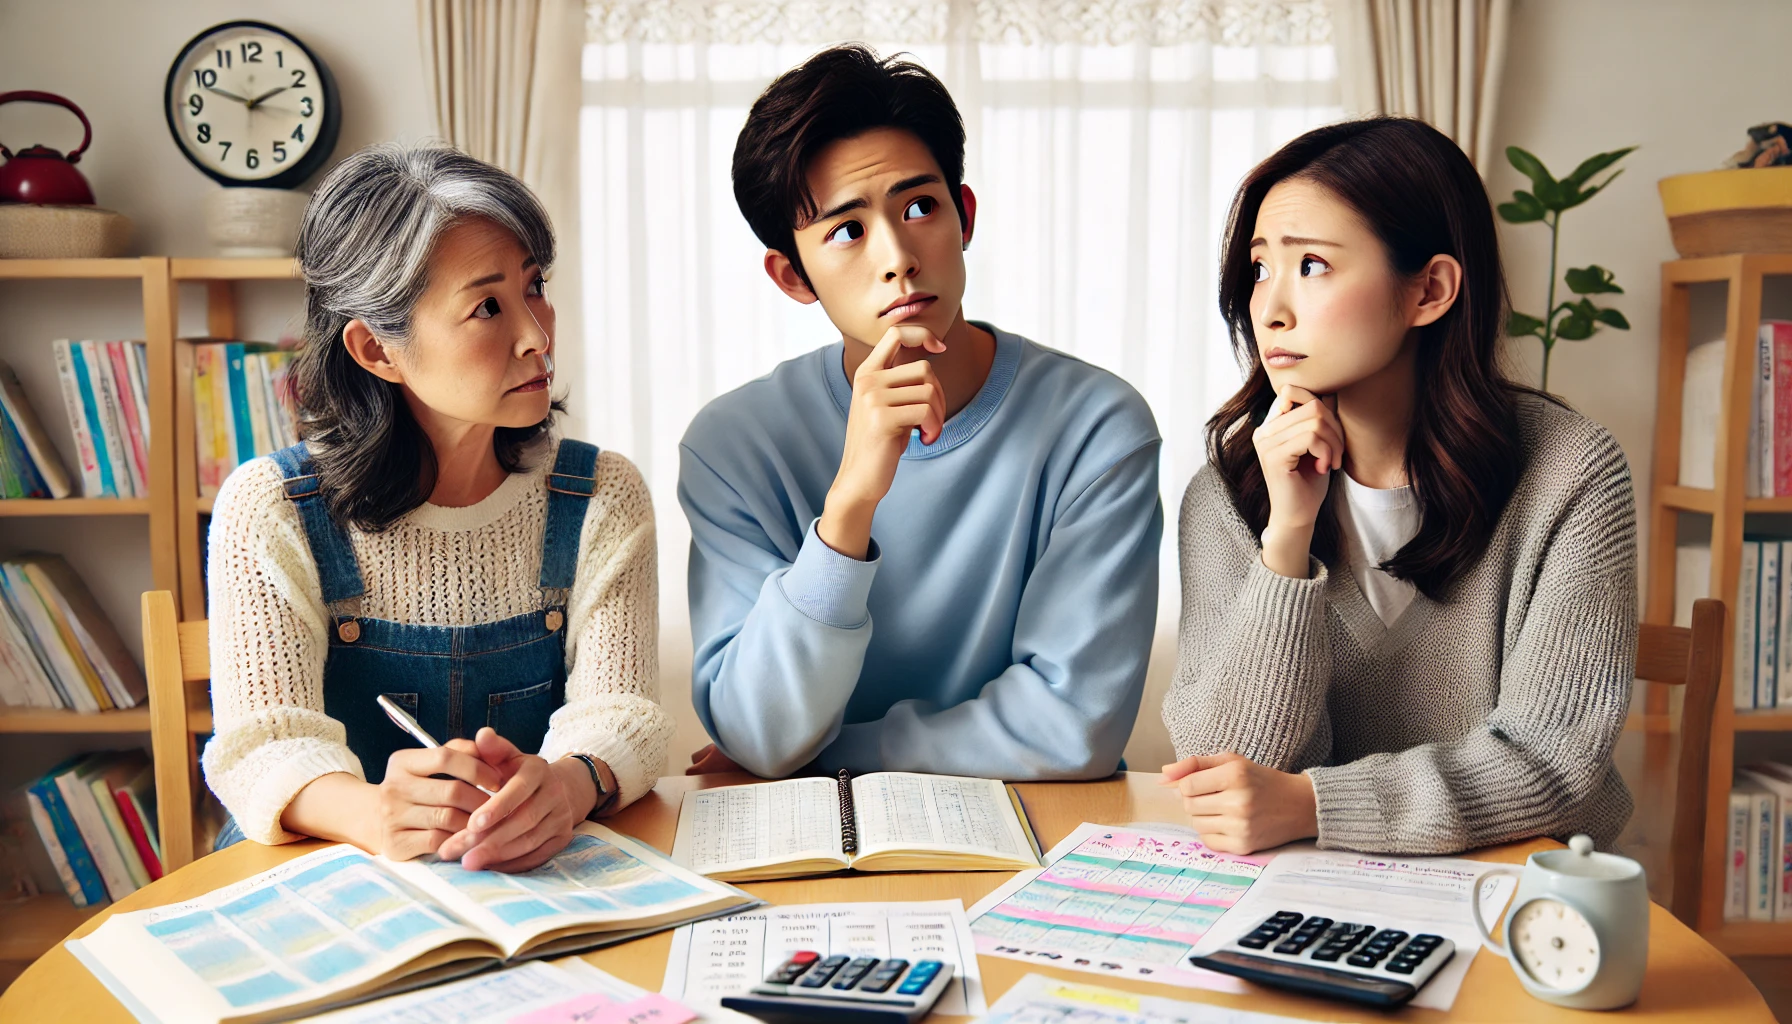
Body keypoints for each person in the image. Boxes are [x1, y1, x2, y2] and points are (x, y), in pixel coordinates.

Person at [679, 44, 1163, 780]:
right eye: (847, 230)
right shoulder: (732, 446)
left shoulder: (1098, 426)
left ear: (963, 216)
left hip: (1043, 832)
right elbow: (760, 729)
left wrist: (836, 755)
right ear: (790, 275)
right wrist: (850, 506)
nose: (899, 254)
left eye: (919, 207)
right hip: (815, 847)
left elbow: (1074, 728)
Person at [1161, 117, 1635, 856]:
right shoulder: (1228, 492)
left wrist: (1317, 805)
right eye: (1259, 269)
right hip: (1300, 891)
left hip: (1517, 890)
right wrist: (1287, 539)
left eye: (1312, 264)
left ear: (1430, 291)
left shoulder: (1570, 475)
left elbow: (1554, 761)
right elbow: (1230, 769)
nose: (1270, 309)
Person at [203, 143, 670, 872]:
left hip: (532, 878)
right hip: (322, 877)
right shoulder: (272, 507)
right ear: (376, 350)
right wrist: (372, 812)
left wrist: (569, 786)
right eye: (487, 306)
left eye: (535, 286)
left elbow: (624, 714)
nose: (538, 335)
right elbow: (261, 747)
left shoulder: (601, 494)